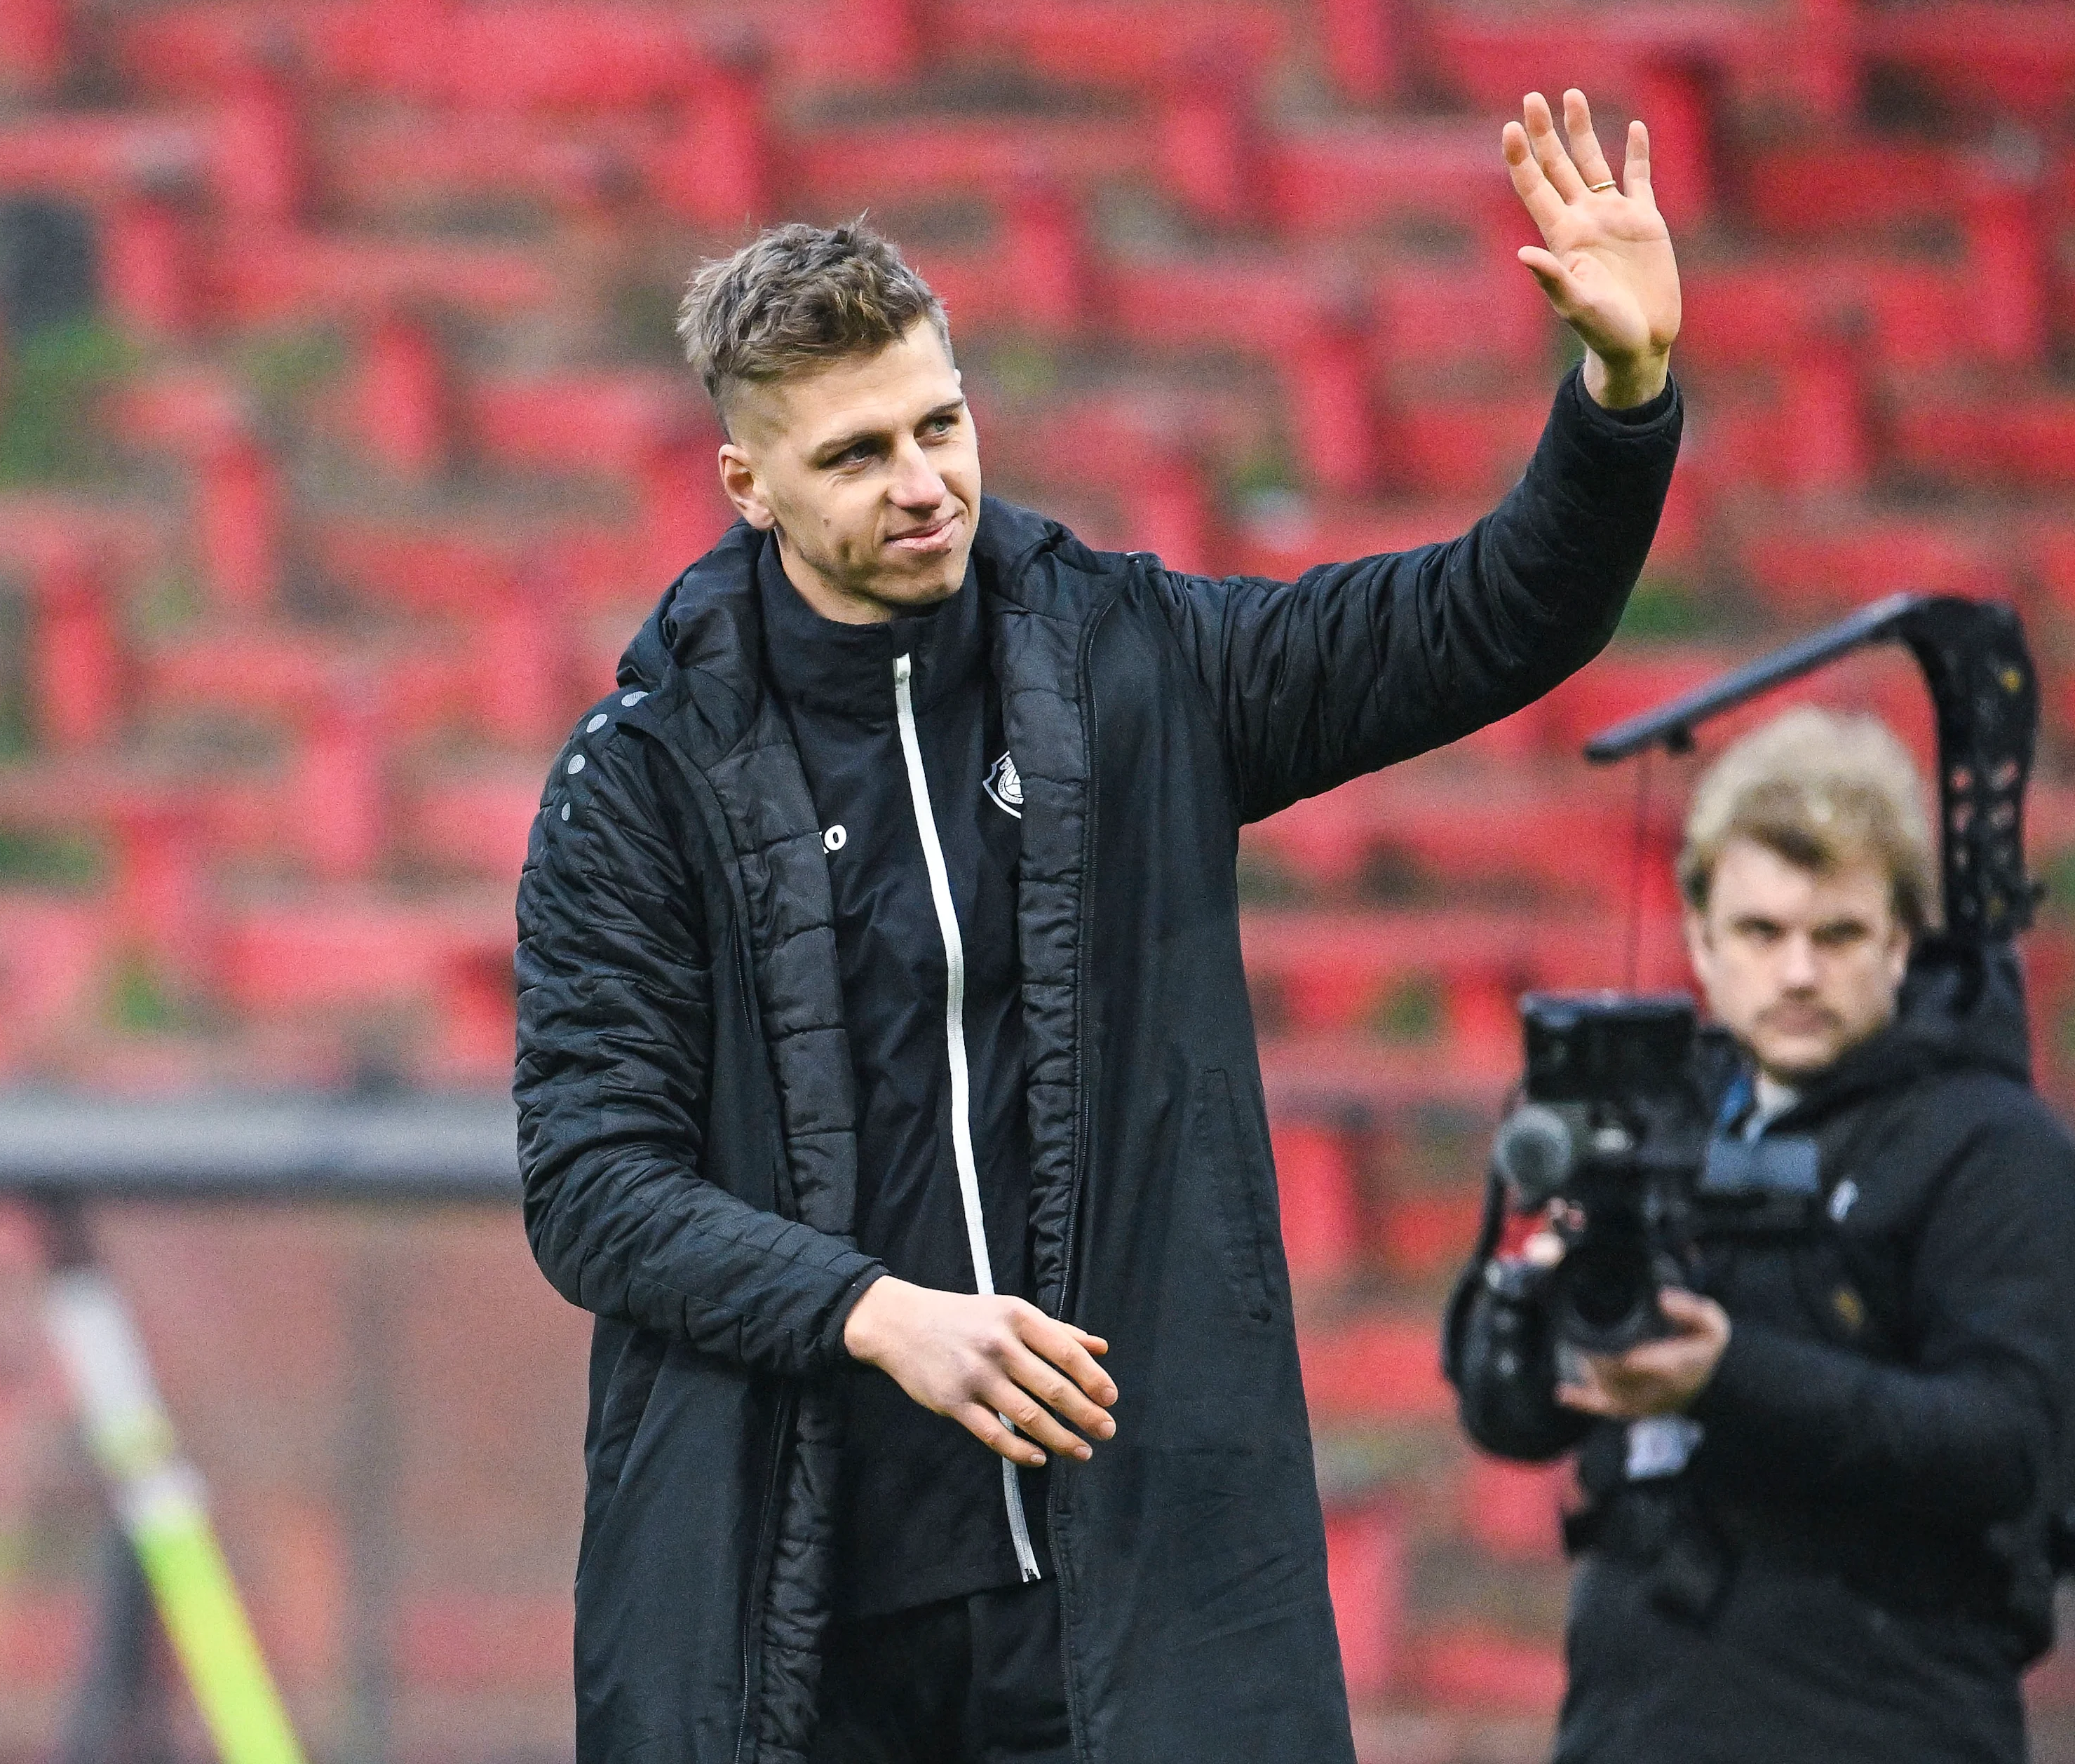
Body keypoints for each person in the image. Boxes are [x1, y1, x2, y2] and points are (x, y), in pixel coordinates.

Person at [513, 90, 1683, 1764]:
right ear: (745, 482)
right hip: (795, 1618)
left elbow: (1488, 614)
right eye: (856, 453)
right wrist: (878, 1310)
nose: (922, 484)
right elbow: (591, 1189)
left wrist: (1620, 396)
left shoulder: (1136, 659)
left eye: (939, 423)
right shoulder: (637, 783)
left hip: (1129, 1616)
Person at [1449, 707, 2075, 1764]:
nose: (1798, 973)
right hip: (1636, 1717)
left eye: (1836, 934)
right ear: (1701, 940)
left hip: (1885, 1721)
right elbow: (1506, 1415)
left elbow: (2006, 1447)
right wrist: (1538, 1304)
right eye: (1762, 934)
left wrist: (1727, 1376)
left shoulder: (1990, 1149)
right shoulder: (1642, 1116)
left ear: (1900, 941)